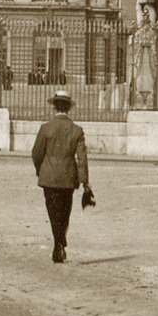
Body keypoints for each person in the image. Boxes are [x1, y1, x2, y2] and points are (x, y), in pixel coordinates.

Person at [31, 89, 92, 263]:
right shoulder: (77, 130)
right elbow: (82, 159)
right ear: (68, 109)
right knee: (65, 213)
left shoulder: (45, 128)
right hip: (68, 177)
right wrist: (84, 181)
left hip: (49, 177)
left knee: (53, 212)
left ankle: (58, 243)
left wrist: (40, 169)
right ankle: (60, 242)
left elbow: (36, 153)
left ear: (55, 107)